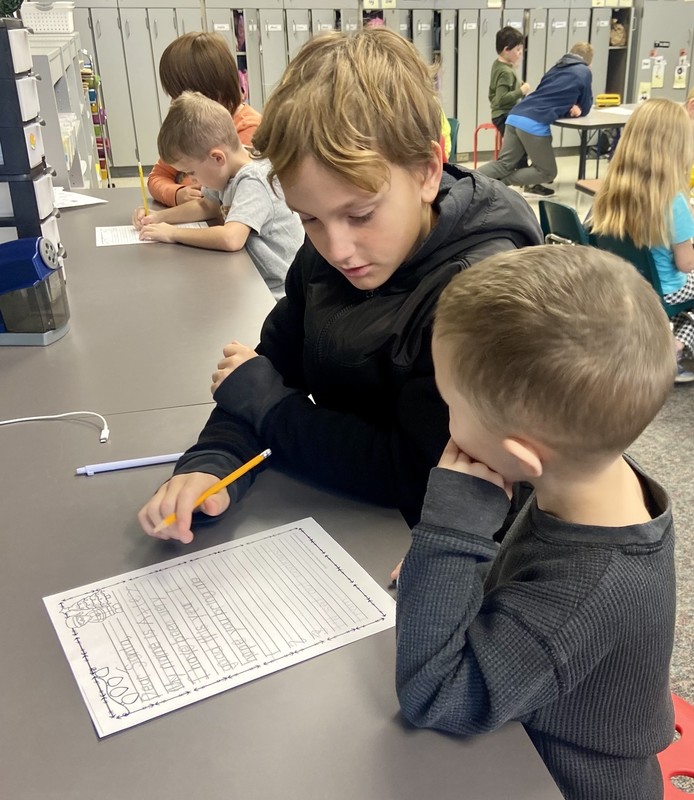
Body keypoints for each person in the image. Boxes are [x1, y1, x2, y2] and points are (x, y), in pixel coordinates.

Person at [137, 27, 542, 544]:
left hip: (443, 552)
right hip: (348, 516)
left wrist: (269, 406)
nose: (337, 248)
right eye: (309, 219)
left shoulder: (479, 296)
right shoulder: (329, 249)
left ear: (426, 171)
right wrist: (214, 461)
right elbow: (267, 367)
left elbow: (415, 474)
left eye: (361, 214)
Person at [396, 244, 676, 800]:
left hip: (559, 779)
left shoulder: (585, 591)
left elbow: (434, 696)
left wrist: (451, 536)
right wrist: (449, 574)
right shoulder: (592, 477)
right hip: (539, 726)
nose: (444, 413)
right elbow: (517, 583)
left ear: (523, 460)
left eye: (450, 402)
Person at [132, 92, 303, 301]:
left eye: (191, 172)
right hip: (249, 278)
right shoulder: (226, 171)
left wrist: (172, 234)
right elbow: (207, 206)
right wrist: (158, 218)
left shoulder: (254, 180)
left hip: (274, 294)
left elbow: (231, 238)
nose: (191, 180)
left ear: (217, 158)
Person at [590, 98, 694, 383]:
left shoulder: (610, 190)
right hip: (666, 286)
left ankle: (664, 339)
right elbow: (686, 264)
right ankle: (674, 347)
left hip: (626, 279)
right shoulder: (674, 202)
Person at [147, 32, 261, 208]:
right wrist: (177, 194)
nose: (173, 103)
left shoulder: (248, 129)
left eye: (177, 95)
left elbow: (219, 204)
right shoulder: (189, 127)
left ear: (208, 92)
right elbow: (157, 176)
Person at [478, 42, 593, 198]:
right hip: (534, 122)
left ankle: (465, 180)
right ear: (588, 62)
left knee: (504, 164)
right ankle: (501, 184)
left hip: (515, 115)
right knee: (547, 172)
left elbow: (548, 95)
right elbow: (586, 104)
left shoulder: (556, 68)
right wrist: (579, 107)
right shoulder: (584, 71)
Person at [488, 26, 530, 137]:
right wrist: (521, 91)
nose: (520, 53)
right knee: (522, 142)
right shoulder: (505, 72)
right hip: (504, 116)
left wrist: (518, 84)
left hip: (504, 114)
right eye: (518, 49)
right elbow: (501, 99)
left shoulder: (499, 64)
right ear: (506, 50)